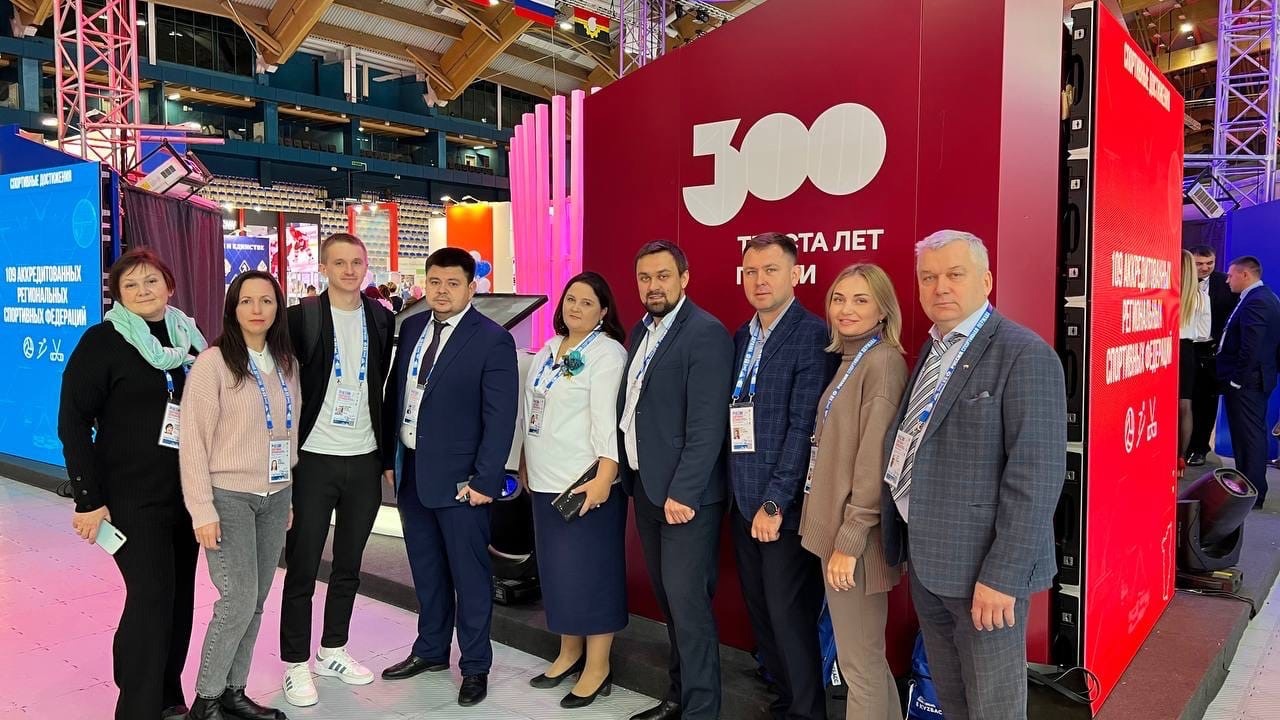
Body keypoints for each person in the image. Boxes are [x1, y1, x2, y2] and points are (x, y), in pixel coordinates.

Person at [881, 230, 1066, 720]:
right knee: (954, 701)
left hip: (985, 574)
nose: (940, 287)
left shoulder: (1024, 354)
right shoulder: (934, 349)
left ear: (985, 281)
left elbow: (1036, 477)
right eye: (928, 277)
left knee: (993, 708)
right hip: (929, 562)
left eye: (954, 274)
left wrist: (1003, 575)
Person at [58, 249, 207, 720]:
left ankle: (167, 697)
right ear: (118, 295)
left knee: (180, 598)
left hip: (186, 494)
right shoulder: (103, 342)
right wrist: (88, 499)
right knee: (151, 596)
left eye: (151, 281)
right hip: (130, 497)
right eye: (131, 285)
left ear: (170, 285)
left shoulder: (189, 339)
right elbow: (73, 423)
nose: (143, 290)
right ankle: (137, 707)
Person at [381, 247, 519, 707]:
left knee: (470, 576)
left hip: (463, 482)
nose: (442, 291)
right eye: (435, 282)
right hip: (412, 471)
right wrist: (389, 457)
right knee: (427, 570)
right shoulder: (413, 327)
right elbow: (398, 394)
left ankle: (475, 665)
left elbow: (500, 418)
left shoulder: (492, 340)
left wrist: (485, 480)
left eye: (453, 283)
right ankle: (431, 649)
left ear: (471, 287)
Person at [617, 240, 734, 720]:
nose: (653, 286)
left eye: (663, 276)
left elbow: (708, 425)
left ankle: (701, 710)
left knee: (688, 607)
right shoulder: (641, 331)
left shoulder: (705, 333)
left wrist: (684, 491)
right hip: (647, 488)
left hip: (685, 497)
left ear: (684, 278)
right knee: (670, 602)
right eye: (645, 277)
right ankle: (678, 697)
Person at [277, 233, 396, 707]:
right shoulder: (300, 317)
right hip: (313, 457)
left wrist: (386, 457)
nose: (349, 270)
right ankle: (294, 663)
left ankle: (332, 649)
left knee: (349, 564)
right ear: (323, 268)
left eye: (356, 262)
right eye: (339, 263)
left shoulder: (382, 318)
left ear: (366, 267)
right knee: (302, 565)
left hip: (364, 458)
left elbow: (382, 385)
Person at [180, 270, 299, 720]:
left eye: (266, 300)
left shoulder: (286, 363)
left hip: (275, 495)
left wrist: (287, 492)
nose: (256, 309)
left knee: (257, 601)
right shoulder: (213, 363)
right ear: (232, 308)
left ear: (277, 308)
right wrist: (201, 509)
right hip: (227, 496)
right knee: (237, 600)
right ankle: (206, 699)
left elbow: (287, 431)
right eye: (246, 301)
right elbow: (193, 441)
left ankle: (234, 691)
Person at [727, 233, 830, 720]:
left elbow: (803, 428)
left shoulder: (811, 335)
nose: (759, 280)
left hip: (780, 510)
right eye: (751, 271)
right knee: (762, 612)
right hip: (741, 500)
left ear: (795, 274)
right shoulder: (742, 337)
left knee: (790, 617)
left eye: (770, 270)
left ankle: (806, 711)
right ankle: (785, 700)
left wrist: (775, 501)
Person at [801, 263, 907, 720]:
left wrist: (849, 539)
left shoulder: (881, 364)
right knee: (866, 663)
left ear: (883, 310)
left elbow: (874, 462)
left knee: (859, 670)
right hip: (843, 534)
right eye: (839, 299)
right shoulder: (853, 359)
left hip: (856, 542)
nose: (846, 309)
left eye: (861, 300)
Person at [521, 272, 629, 708]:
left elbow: (607, 419)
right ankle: (568, 653)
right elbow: (532, 410)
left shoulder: (607, 353)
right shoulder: (550, 349)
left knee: (593, 574)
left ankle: (598, 666)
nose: (576, 308)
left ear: (603, 311)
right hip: (545, 480)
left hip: (585, 482)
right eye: (571, 299)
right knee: (559, 574)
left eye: (587, 302)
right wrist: (525, 460)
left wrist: (605, 477)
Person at [1217, 256, 1280, 506]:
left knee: (1250, 437)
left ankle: (1253, 493)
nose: (1227, 280)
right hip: (1251, 380)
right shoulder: (1260, 297)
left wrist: (1237, 380)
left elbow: (1251, 346)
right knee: (1245, 437)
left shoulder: (1258, 301)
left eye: (1231, 275)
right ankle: (1246, 487)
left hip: (1248, 383)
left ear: (1245, 275)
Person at [1186, 245, 1239, 466]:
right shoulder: (1179, 279)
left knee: (1206, 402)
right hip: (1185, 348)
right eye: (1199, 264)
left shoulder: (1225, 283)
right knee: (1184, 400)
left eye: (1210, 263)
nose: (1205, 268)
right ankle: (1180, 447)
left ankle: (1199, 448)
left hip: (1212, 351)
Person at [1178, 250, 1201, 477]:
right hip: (1187, 350)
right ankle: (1180, 458)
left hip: (1166, 347)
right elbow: (1204, 333)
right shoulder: (1200, 297)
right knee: (1185, 406)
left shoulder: (1165, 291)